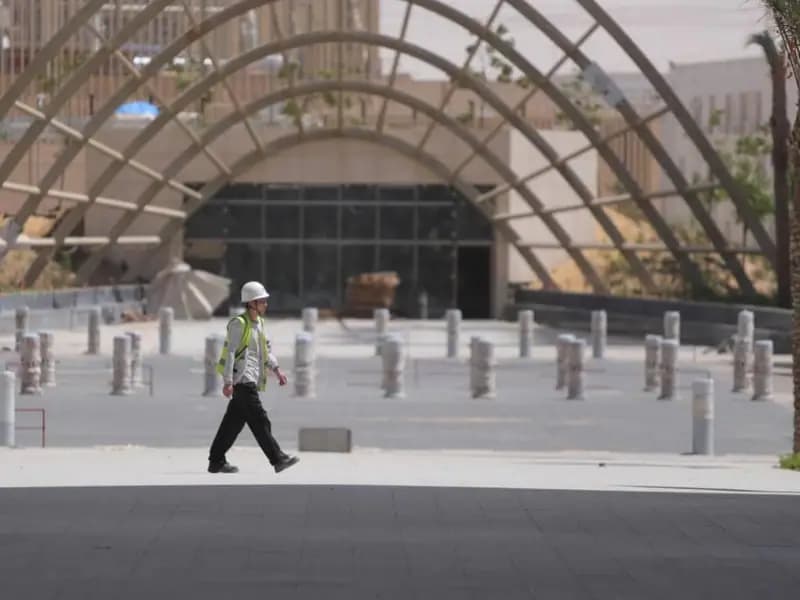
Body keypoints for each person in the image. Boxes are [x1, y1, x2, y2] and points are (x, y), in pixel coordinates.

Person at [207, 281, 299, 474]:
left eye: (265, 301)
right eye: (262, 301)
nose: (266, 304)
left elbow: (264, 351)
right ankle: (278, 459)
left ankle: (216, 460)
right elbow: (230, 352)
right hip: (242, 380)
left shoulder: (259, 324)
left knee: (232, 424)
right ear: (251, 303)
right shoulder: (238, 324)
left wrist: (277, 369)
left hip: (250, 380)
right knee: (260, 420)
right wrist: (228, 382)